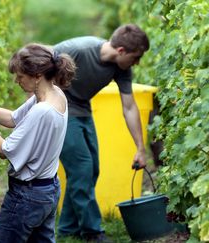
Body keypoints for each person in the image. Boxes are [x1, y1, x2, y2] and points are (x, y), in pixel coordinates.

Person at [54, 24, 150, 241]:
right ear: (121, 51)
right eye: (136, 57)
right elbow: (38, 68)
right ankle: (93, 231)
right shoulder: (77, 49)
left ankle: (68, 229)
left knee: (92, 169)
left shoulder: (122, 68)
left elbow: (130, 107)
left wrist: (140, 148)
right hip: (59, 110)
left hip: (82, 110)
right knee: (82, 169)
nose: (137, 62)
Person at [0, 43, 76, 243]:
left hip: (27, 196)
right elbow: (12, 119)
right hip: (47, 189)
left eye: (20, 76)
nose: (16, 81)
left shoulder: (42, 111)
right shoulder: (54, 94)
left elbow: (4, 150)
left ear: (37, 76)